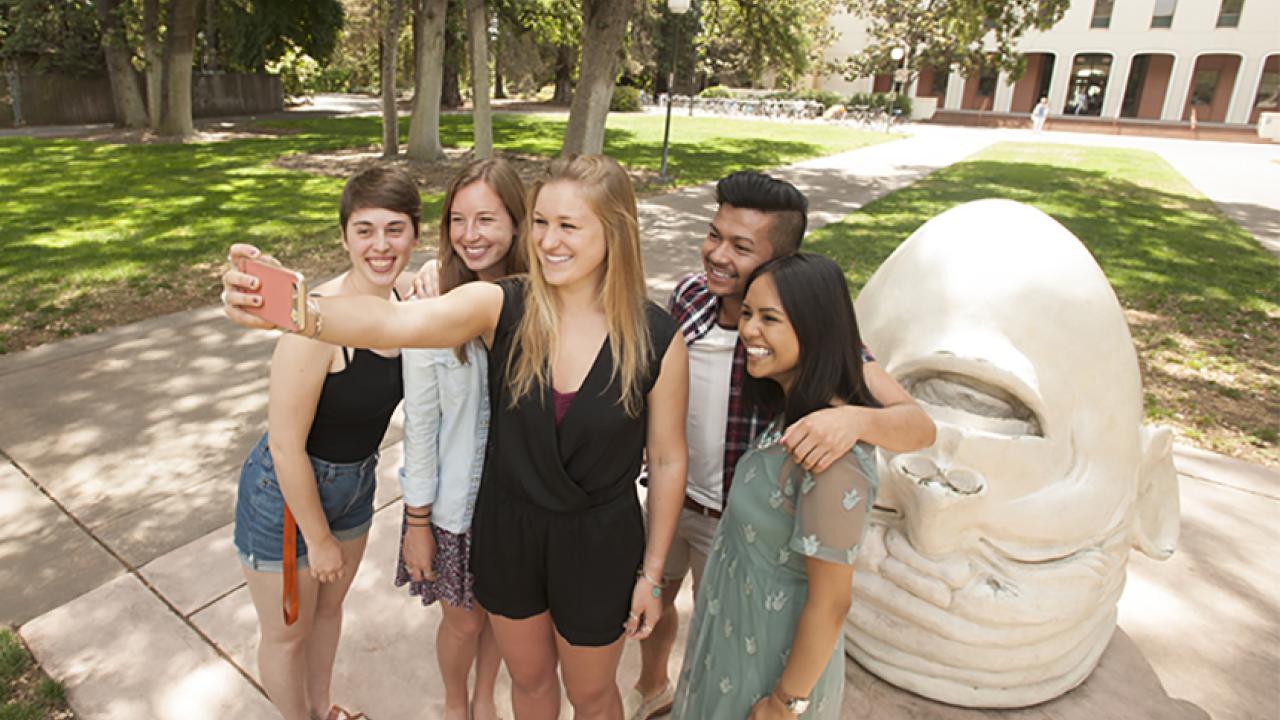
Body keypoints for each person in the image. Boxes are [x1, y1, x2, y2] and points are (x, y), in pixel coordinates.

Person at [223, 154, 689, 720]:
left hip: (598, 544)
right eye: (541, 223)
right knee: (529, 682)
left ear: (614, 231)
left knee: (592, 696)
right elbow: (394, 322)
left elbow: (668, 460)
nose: (548, 241)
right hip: (510, 534)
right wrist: (296, 309)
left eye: (568, 225)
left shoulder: (656, 337)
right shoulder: (504, 304)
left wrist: (653, 574)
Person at [626, 172, 935, 720]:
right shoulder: (690, 298)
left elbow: (918, 427)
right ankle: (653, 691)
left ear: (780, 263)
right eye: (714, 234)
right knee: (660, 602)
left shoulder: (804, 331)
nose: (717, 255)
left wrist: (852, 421)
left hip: (746, 521)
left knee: (730, 630)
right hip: (677, 497)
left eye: (741, 247)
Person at [231, 166, 419, 720]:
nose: (380, 245)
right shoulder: (315, 323)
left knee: (329, 612)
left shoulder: (408, 298)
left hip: (356, 483)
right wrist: (319, 538)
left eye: (394, 229)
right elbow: (285, 446)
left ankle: (322, 708)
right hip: (286, 496)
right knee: (287, 634)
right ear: (344, 237)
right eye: (364, 230)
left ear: (415, 233)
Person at [672, 252, 886, 719]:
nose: (749, 330)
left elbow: (831, 602)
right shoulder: (793, 414)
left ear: (816, 328)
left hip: (770, 669)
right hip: (733, 642)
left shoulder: (831, 455)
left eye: (770, 318)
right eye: (748, 313)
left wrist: (785, 702)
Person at [395, 158, 528, 720]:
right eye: (457, 219)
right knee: (463, 622)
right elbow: (421, 426)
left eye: (486, 219)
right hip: (456, 507)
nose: (469, 235)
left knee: (502, 615)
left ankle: (483, 695)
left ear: (517, 223)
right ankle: (455, 702)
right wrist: (418, 522)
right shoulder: (432, 308)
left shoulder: (545, 301)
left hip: (522, 504)